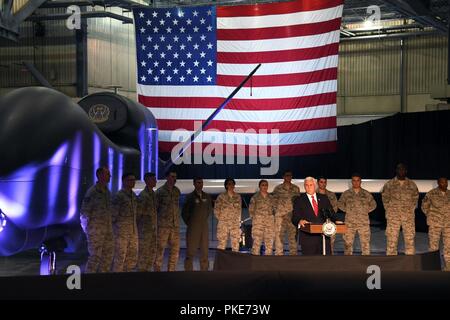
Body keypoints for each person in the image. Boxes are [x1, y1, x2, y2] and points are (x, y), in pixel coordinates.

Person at [80, 167, 114, 273]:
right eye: (107, 174)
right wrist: (88, 231)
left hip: (107, 231)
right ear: (100, 175)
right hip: (96, 232)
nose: (110, 176)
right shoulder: (93, 192)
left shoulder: (107, 192)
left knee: (107, 257)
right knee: (95, 258)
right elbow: (84, 214)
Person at [381, 163, 419, 255]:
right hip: (393, 217)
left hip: (408, 217)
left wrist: (409, 210)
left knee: (410, 241)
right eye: (399, 169)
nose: (401, 171)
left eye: (403, 169)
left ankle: (409, 264)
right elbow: (385, 199)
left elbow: (415, 199)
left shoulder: (412, 184)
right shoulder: (389, 184)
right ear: (396, 170)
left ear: (406, 171)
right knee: (391, 241)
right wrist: (391, 211)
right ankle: (391, 264)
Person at [292, 177, 334, 255]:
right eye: (306, 185)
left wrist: (336, 220)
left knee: (325, 263)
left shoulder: (324, 198)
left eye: (311, 185)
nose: (308, 187)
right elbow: (294, 217)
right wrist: (299, 221)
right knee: (310, 264)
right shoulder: (299, 200)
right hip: (308, 238)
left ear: (315, 186)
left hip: (323, 237)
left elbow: (331, 214)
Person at [338, 173, 377, 255]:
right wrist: (348, 210)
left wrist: (365, 210)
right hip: (350, 222)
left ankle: (365, 263)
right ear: (352, 182)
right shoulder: (346, 193)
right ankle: (348, 264)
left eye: (357, 180)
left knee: (365, 245)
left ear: (360, 181)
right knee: (348, 244)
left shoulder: (366, 194)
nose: (356, 182)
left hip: (363, 222)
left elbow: (373, 204)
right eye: (354, 181)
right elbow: (340, 204)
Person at [182, 177, 213, 271]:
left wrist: (201, 221)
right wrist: (191, 223)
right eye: (198, 182)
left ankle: (204, 271)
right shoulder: (189, 197)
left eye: (201, 182)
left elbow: (208, 210)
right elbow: (184, 213)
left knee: (204, 251)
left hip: (204, 227)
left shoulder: (207, 196)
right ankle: (188, 271)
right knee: (190, 251)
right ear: (194, 184)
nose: (200, 184)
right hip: (193, 228)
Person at [421, 176, 450, 270]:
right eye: (442, 182)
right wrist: (431, 216)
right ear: (438, 183)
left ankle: (448, 265)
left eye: (446, 182)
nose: (445, 184)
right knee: (433, 245)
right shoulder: (431, 193)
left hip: (448, 224)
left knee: (448, 245)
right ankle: (433, 265)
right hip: (435, 224)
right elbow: (424, 206)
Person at [154, 171, 181, 271]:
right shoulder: (160, 192)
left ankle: (171, 271)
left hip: (174, 226)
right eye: (172, 176)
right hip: (163, 226)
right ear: (167, 177)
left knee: (175, 250)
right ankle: (157, 272)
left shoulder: (176, 191)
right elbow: (155, 209)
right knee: (159, 250)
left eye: (175, 177)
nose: (174, 179)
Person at [112, 172, 138, 272]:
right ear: (124, 181)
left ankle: (127, 281)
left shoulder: (133, 196)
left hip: (132, 233)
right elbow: (113, 216)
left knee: (131, 259)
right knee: (119, 259)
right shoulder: (119, 196)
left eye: (134, 180)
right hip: (121, 234)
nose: (133, 182)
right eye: (130, 180)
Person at [273, 170, 300, 255]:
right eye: (287, 175)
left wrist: (297, 215)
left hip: (292, 217)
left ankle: (293, 257)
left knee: (292, 237)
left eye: (290, 175)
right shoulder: (278, 188)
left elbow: (298, 203)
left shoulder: (296, 188)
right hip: (281, 217)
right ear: (283, 177)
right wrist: (276, 213)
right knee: (279, 237)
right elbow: (274, 202)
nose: (289, 177)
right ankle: (279, 256)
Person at [136, 172, 157, 272]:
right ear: (147, 181)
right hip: (144, 231)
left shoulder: (153, 194)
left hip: (152, 230)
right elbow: (138, 214)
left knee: (151, 254)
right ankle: (142, 275)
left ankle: (147, 274)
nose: (155, 181)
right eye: (153, 179)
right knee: (143, 254)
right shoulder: (143, 196)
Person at [249, 180, 276, 255]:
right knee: (256, 244)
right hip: (258, 224)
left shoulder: (271, 197)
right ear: (259, 186)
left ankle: (267, 263)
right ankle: (255, 262)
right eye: (263, 185)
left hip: (269, 224)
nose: (264, 187)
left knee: (269, 244)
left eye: (266, 185)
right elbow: (251, 210)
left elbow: (275, 210)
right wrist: (256, 219)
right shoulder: (255, 197)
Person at [215, 178, 242, 252]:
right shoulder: (221, 197)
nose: (231, 186)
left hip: (234, 224)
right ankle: (221, 262)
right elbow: (216, 210)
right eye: (229, 184)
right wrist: (222, 219)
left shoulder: (238, 197)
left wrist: (238, 222)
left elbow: (239, 210)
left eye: (232, 184)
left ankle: (235, 262)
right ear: (226, 185)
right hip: (224, 224)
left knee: (235, 244)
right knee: (221, 244)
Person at [317, 176, 338, 253]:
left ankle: (330, 261)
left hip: (329, 222)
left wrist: (329, 217)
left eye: (324, 182)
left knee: (330, 244)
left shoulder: (331, 195)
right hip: (317, 222)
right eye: (321, 182)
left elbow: (335, 208)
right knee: (317, 244)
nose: (323, 184)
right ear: (318, 183)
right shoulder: (313, 194)